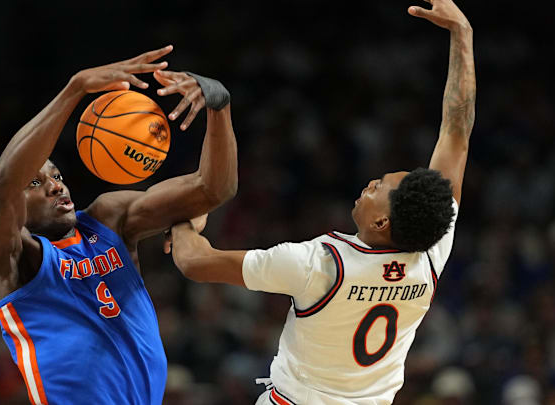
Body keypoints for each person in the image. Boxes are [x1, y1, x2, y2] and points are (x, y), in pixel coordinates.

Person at [166, 1, 475, 404]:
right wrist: (463, 35)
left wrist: (183, 220)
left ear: (382, 222)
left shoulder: (320, 264)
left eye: (378, 187)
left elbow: (194, 262)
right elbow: (457, 131)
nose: (369, 184)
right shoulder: (432, 249)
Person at [0, 45, 237, 405]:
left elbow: (214, 188)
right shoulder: (14, 260)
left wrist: (218, 106)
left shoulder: (108, 218)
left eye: (57, 175)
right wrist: (75, 90)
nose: (56, 185)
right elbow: (2, 186)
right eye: (35, 183)